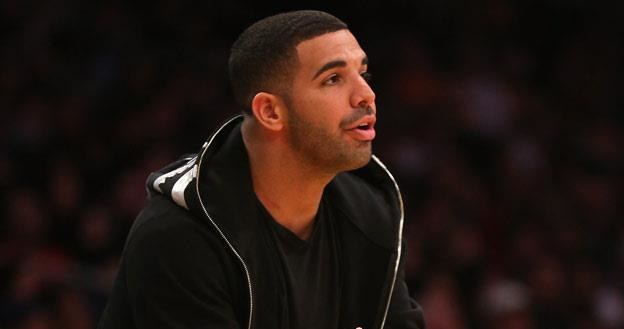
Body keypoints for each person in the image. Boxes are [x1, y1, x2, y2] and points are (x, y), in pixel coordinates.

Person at [97, 10, 425, 329]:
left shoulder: (372, 213)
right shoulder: (179, 238)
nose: (366, 95)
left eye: (363, 74)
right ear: (270, 111)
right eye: (333, 79)